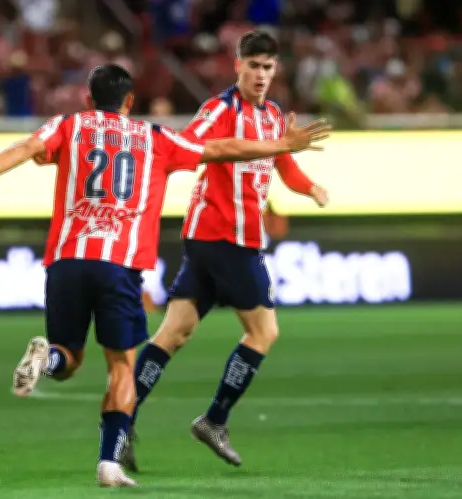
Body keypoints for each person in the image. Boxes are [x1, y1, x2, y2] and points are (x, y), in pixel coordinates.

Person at [0, 63, 331, 488]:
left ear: (89, 99)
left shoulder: (68, 125)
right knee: (122, 365)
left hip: (66, 260)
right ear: (130, 101)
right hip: (119, 265)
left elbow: (27, 147)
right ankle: (109, 464)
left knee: (68, 358)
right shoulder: (154, 137)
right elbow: (220, 148)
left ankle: (47, 359)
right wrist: (280, 145)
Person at [122, 31, 330, 471]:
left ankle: (121, 421)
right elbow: (188, 147)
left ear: (275, 69)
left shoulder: (274, 116)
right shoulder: (220, 110)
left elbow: (284, 164)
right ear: (238, 66)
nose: (260, 74)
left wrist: (310, 187)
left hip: (213, 240)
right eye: (253, 65)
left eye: (267, 67)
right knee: (264, 333)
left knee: (173, 334)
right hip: (227, 239)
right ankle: (214, 419)